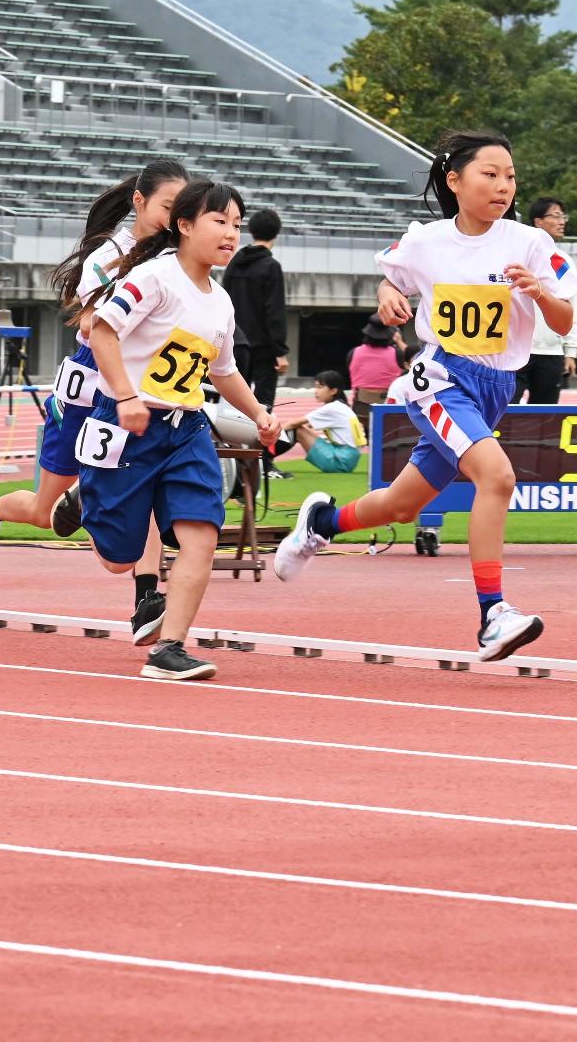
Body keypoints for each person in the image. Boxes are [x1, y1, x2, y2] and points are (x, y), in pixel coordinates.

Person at [274, 130, 577, 662]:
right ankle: (494, 614)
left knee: (402, 504)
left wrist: (541, 293)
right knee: (497, 476)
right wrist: (391, 293)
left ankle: (319, 524)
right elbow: (391, 279)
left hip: (495, 387)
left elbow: (565, 318)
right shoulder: (426, 240)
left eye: (510, 176)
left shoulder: (530, 243)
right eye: (491, 174)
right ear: (454, 180)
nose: (503, 185)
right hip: (440, 378)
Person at [0, 160, 185, 645]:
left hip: (139, 392)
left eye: (182, 209)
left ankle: (147, 592)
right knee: (46, 513)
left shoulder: (180, 259)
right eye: (168, 207)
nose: (175, 218)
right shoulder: (111, 254)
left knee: (140, 482)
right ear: (140, 202)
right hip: (87, 389)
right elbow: (88, 322)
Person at [77, 180, 279, 681]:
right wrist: (125, 396)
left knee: (201, 536)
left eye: (236, 224)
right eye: (220, 221)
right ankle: (83, 499)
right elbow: (101, 332)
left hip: (185, 429)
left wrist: (259, 416)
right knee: (118, 558)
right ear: (184, 226)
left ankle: (170, 648)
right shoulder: (153, 278)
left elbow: (223, 371)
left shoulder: (222, 302)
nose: (231, 232)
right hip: (126, 424)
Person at [222, 207, 288, 410]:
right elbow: (274, 311)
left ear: (251, 230)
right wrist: (280, 351)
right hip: (263, 347)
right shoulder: (271, 266)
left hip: (236, 342)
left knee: (233, 400)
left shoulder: (234, 263)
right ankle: (259, 441)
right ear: (276, 234)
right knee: (263, 402)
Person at [517, 197, 577, 402]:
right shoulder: (518, 254)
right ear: (538, 222)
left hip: (551, 353)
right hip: (517, 350)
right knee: (504, 411)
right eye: (556, 215)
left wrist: (570, 351)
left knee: (545, 418)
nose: (562, 221)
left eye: (563, 216)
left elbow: (572, 307)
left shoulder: (562, 261)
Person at [273, 370, 365, 473]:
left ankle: (266, 458)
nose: (316, 391)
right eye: (315, 387)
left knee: (297, 430)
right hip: (347, 458)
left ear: (333, 391)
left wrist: (273, 433)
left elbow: (293, 424)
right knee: (301, 428)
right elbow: (307, 425)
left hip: (339, 461)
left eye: (320, 387)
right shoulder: (340, 406)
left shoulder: (332, 408)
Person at [348, 319, 404, 408]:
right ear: (390, 335)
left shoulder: (353, 353)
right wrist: (399, 341)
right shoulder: (398, 354)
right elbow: (415, 361)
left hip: (359, 407)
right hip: (388, 410)